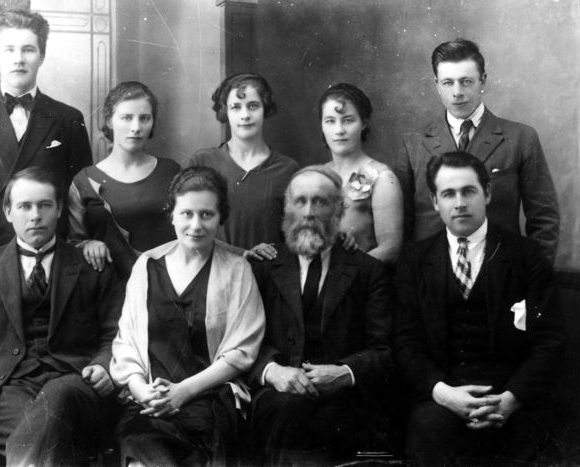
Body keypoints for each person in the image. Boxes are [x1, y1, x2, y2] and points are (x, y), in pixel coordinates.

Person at [0, 167, 122, 465]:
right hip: (6, 390)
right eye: (25, 206)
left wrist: (104, 365)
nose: (35, 215)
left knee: (59, 396)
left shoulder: (91, 267)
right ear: (8, 212)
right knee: (45, 437)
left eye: (44, 205)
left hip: (75, 384)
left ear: (59, 209)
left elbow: (118, 333)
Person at [393, 152, 564, 464]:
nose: (459, 203)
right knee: (428, 431)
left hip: (512, 399)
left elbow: (549, 342)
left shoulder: (526, 255)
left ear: (486, 193)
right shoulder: (414, 260)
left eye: (468, 191)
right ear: (434, 201)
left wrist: (510, 399)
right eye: (448, 194)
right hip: (442, 399)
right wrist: (444, 394)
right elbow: (406, 343)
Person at [110, 166, 265, 466]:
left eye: (207, 214)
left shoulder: (237, 270)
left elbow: (241, 352)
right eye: (187, 214)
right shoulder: (146, 266)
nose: (196, 225)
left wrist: (182, 392)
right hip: (151, 402)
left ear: (221, 218)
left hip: (208, 400)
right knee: (141, 451)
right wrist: (141, 390)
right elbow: (126, 342)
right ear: (172, 215)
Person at [0, 9, 93, 311]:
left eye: (28, 50)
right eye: (9, 49)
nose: (19, 59)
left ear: (42, 55)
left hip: (47, 261)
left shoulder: (68, 119)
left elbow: (81, 201)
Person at [248, 165, 393, 464]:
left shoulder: (368, 271)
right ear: (287, 208)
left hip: (345, 399)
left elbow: (385, 350)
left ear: (339, 209)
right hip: (278, 396)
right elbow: (239, 341)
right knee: (288, 409)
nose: (308, 212)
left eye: (320, 202)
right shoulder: (263, 266)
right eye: (300, 201)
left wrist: (345, 372)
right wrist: (272, 371)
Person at [395, 38, 559, 263]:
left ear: (482, 80)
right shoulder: (413, 144)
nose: (457, 92)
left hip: (501, 270)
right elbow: (402, 223)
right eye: (447, 82)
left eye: (466, 81)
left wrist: (536, 275)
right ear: (436, 85)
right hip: (431, 274)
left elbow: (544, 218)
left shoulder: (520, 138)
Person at [68, 81, 181, 280]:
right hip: (111, 288)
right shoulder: (84, 181)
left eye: (144, 118)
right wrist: (88, 244)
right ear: (110, 121)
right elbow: (73, 242)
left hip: (169, 284)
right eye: (127, 118)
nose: (136, 128)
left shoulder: (171, 171)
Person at [188, 72, 299, 260]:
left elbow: (295, 236)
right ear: (225, 111)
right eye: (236, 107)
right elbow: (189, 227)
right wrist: (242, 253)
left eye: (253, 106)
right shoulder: (203, 162)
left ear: (265, 109)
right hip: (214, 269)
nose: (245, 115)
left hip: (267, 271)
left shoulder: (288, 169)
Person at [321, 83, 403, 265]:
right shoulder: (317, 176)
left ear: (364, 124)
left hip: (361, 278)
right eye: (330, 121)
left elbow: (390, 249)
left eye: (348, 120)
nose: (339, 130)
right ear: (322, 126)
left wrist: (345, 274)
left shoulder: (382, 178)